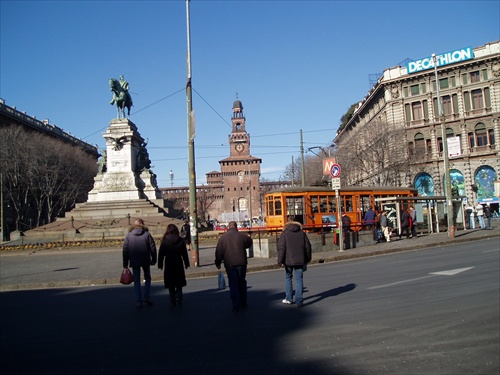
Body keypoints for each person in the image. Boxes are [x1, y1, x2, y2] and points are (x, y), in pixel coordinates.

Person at [214, 221, 253, 312]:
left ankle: (236, 304)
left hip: (230, 263)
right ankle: (243, 302)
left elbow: (219, 252)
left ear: (228, 227)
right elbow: (249, 242)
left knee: (233, 284)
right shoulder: (242, 236)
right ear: (236, 227)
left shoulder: (223, 238)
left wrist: (218, 263)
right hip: (242, 263)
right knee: (242, 282)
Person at [277, 216, 312, 308]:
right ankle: (299, 300)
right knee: (299, 279)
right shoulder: (302, 233)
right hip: (300, 260)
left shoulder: (284, 234)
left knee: (288, 278)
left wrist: (280, 261)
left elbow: (281, 248)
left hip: (288, 260)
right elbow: (308, 247)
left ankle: (289, 298)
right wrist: (307, 259)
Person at [122, 218, 157, 308]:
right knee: (147, 278)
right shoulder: (147, 234)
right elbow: (152, 247)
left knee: (136, 280)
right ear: (142, 224)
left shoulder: (129, 236)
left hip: (134, 260)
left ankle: (138, 300)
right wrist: (154, 259)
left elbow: (125, 250)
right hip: (145, 259)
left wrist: (125, 262)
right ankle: (147, 297)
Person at [158, 224, 190, 307]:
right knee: (179, 280)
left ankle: (172, 300)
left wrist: (160, 264)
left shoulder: (165, 240)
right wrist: (186, 263)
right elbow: (184, 253)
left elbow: (161, 253)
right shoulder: (180, 240)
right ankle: (179, 296)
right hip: (178, 262)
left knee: (170, 281)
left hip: (169, 262)